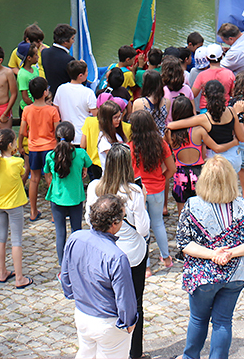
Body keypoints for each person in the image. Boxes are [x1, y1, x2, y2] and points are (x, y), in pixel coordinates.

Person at [176, 156, 244, 359]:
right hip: (235, 275)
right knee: (223, 321)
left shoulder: (192, 205)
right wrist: (231, 252)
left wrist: (212, 254)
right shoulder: (242, 205)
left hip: (203, 276)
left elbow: (184, 243)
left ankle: (190, 357)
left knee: (198, 319)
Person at [85, 144, 150, 359]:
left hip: (102, 253)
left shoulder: (95, 187)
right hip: (131, 255)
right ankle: (135, 353)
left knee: (107, 301)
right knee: (135, 302)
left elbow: (89, 219)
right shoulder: (134, 192)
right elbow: (143, 228)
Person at [61, 194, 138, 358]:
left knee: (86, 353)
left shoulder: (75, 238)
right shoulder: (117, 257)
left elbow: (66, 275)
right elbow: (125, 297)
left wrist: (74, 296)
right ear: (114, 223)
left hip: (82, 313)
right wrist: (128, 322)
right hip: (108, 322)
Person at [0, 129, 33, 289]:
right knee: (17, 240)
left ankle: (2, 272)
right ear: (11, 145)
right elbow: (22, 174)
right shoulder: (17, 162)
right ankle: (19, 277)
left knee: (1, 237)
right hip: (14, 204)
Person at [128, 111, 176, 269]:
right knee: (158, 223)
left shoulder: (131, 146)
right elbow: (172, 168)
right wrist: (163, 177)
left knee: (142, 227)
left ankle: (146, 266)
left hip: (138, 189)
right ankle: (166, 258)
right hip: (157, 189)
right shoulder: (160, 144)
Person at [168, 80, 244, 174]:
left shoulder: (204, 118)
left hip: (214, 160)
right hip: (233, 157)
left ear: (205, 97)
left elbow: (171, 125)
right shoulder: (232, 111)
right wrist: (239, 114)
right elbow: (242, 137)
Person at [44, 121, 92, 265]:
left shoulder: (51, 156)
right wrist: (83, 170)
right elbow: (88, 166)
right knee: (77, 231)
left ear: (56, 137)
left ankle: (62, 264)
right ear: (73, 137)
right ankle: (77, 262)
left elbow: (47, 173)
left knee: (60, 233)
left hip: (57, 198)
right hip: (76, 197)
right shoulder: (81, 154)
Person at [19, 76, 60, 221]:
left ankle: (33, 211)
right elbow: (57, 132)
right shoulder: (52, 111)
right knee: (50, 177)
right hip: (50, 148)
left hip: (34, 148)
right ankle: (55, 214)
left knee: (34, 179)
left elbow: (22, 131)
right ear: (45, 93)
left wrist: (19, 146)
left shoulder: (27, 110)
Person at [166, 96, 218, 211]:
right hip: (198, 171)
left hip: (180, 173)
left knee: (182, 209)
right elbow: (209, 149)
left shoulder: (170, 133)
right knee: (201, 208)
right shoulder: (199, 130)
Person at [81, 98, 132, 181]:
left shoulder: (118, 133)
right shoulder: (104, 139)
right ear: (107, 120)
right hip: (112, 179)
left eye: (119, 116)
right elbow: (116, 159)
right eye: (115, 117)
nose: (119, 120)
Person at [54, 59, 98, 143]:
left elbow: (55, 110)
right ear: (80, 76)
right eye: (87, 71)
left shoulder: (61, 89)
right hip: (83, 137)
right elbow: (95, 114)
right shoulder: (88, 92)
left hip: (65, 135)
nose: (87, 73)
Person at [191, 44, 235, 110]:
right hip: (224, 109)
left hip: (206, 110)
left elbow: (192, 94)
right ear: (222, 56)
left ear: (207, 58)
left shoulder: (202, 75)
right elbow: (233, 93)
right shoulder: (230, 74)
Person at [40, 24, 76, 95]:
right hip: (65, 96)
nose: (73, 41)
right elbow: (77, 81)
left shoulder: (44, 52)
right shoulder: (69, 60)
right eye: (72, 39)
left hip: (50, 95)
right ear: (65, 42)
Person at [130, 69, 170, 135]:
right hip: (161, 137)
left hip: (144, 138)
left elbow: (133, 123)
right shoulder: (167, 102)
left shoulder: (138, 103)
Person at [15, 41, 41, 114]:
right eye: (36, 55)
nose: (38, 56)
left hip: (36, 105)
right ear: (29, 58)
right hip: (27, 109)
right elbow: (25, 97)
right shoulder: (22, 74)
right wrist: (36, 107)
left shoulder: (35, 70)